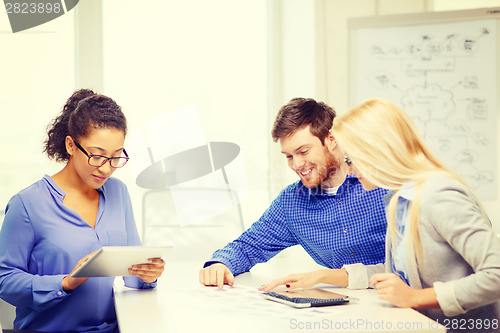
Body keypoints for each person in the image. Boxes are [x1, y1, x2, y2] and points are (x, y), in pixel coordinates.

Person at [0, 89, 165, 333]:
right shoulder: (28, 203)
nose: (107, 169)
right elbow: (4, 280)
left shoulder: (118, 192)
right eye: (97, 156)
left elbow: (133, 274)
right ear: (71, 145)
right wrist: (66, 282)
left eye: (116, 157)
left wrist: (148, 274)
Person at [331, 98, 500, 331]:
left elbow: (496, 275)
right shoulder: (398, 200)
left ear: (377, 151)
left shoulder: (438, 194)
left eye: (351, 159)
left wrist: (414, 298)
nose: (349, 170)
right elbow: (409, 277)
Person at [199, 97, 388, 290]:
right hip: (345, 305)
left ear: (331, 139)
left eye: (303, 151)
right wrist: (220, 264)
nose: (296, 165)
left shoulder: (382, 182)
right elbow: (249, 245)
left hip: (399, 302)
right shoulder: (292, 203)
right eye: (289, 156)